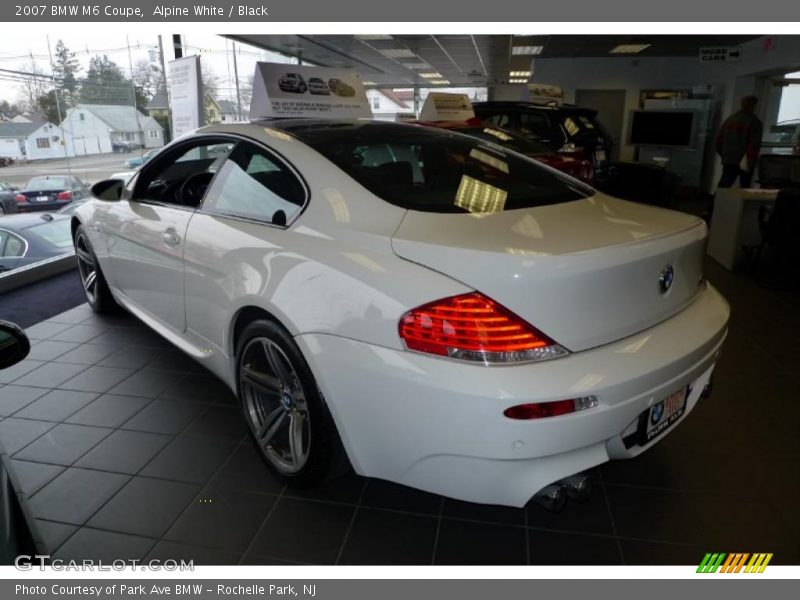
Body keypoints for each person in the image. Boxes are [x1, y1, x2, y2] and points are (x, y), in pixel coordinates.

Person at [715, 95, 763, 188]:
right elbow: (753, 145)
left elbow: (718, 141)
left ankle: (717, 202)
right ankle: (740, 203)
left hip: (728, 158)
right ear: (753, 106)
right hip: (745, 161)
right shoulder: (754, 122)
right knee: (744, 187)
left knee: (724, 185)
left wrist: (724, 154)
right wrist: (751, 162)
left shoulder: (730, 120)